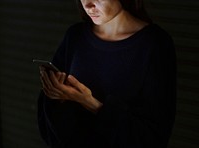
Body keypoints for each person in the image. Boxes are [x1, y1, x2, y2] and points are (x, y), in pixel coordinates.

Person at [38, 0, 176, 148]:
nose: (88, 5)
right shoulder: (75, 36)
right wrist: (57, 96)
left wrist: (91, 103)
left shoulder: (155, 44)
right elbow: (49, 123)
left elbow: (154, 137)